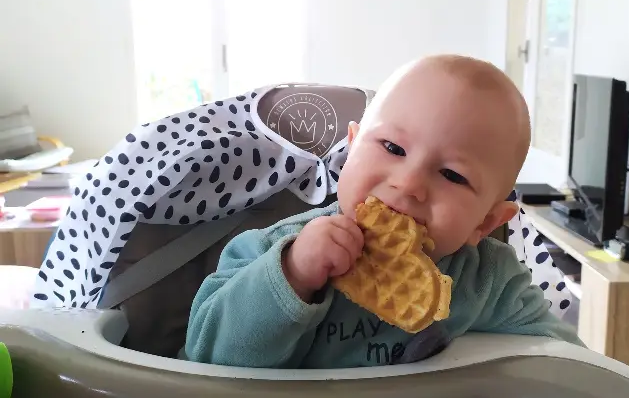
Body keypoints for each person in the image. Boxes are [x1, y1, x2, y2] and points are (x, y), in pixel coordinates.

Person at [183, 54, 582, 368]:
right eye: (392, 148)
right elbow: (209, 354)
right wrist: (294, 274)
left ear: (486, 222)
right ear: (352, 148)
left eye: (451, 175)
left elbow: (563, 364)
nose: (408, 184)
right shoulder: (274, 248)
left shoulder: (488, 279)